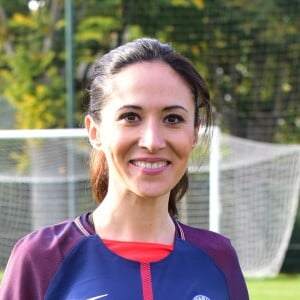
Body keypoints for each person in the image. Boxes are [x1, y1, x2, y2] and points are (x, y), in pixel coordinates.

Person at [0, 38, 249, 300]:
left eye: (172, 119)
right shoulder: (41, 258)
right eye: (130, 117)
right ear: (95, 132)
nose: (152, 141)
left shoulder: (219, 259)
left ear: (194, 134)